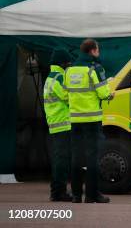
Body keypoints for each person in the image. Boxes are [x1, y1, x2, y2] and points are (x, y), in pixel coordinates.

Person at [64, 39, 113, 204]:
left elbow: (65, 95)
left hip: (75, 120)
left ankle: (76, 195)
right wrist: (109, 94)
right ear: (92, 51)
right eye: (97, 49)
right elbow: (103, 92)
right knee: (93, 157)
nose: (98, 52)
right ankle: (92, 195)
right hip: (92, 120)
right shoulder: (94, 69)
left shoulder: (69, 71)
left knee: (76, 156)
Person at [43, 48, 73, 202]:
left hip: (56, 124)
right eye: (68, 63)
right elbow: (67, 96)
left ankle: (57, 192)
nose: (69, 66)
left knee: (59, 159)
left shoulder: (51, 77)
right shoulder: (59, 77)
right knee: (62, 160)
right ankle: (58, 193)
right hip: (63, 124)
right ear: (62, 63)